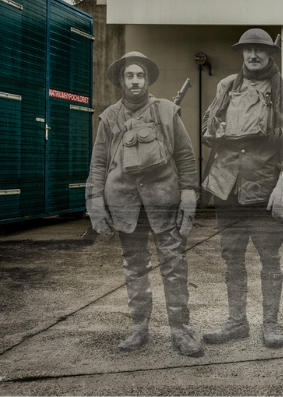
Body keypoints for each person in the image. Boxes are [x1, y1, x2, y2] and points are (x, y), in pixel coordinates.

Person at [86, 51, 202, 357]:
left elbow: (186, 157)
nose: (135, 81)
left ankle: (182, 331)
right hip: (124, 203)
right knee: (135, 268)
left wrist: (189, 195)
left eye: (140, 75)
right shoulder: (110, 117)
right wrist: (95, 203)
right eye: (129, 76)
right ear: (122, 81)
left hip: (164, 201)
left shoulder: (166, 111)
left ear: (147, 79)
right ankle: (139, 329)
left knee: (174, 267)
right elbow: (98, 164)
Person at [200, 28, 283, 349]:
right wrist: (213, 129)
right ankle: (236, 322)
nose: (253, 55)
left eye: (260, 50)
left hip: (264, 188)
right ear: (242, 53)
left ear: (271, 54)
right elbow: (208, 126)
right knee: (232, 257)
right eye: (247, 50)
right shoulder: (227, 86)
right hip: (225, 186)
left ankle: (270, 325)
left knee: (269, 258)